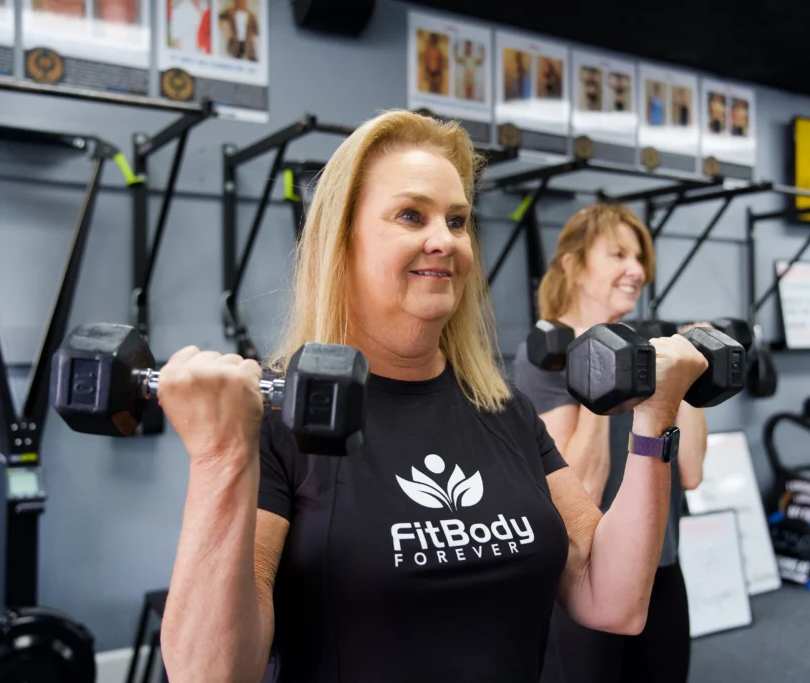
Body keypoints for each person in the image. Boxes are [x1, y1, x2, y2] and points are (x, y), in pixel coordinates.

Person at [156, 111, 708, 683]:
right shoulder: (280, 415)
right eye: (411, 215)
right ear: (340, 241)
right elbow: (210, 675)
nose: (444, 240)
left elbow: (611, 599)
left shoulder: (505, 410)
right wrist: (220, 458)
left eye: (458, 220)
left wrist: (655, 419)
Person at [512, 204, 709, 683]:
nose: (637, 270)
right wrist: (598, 368)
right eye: (618, 254)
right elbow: (579, 490)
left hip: (661, 564)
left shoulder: (652, 345)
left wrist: (688, 375)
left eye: (639, 257)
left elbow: (691, 472)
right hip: (586, 576)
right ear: (573, 266)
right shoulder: (547, 356)